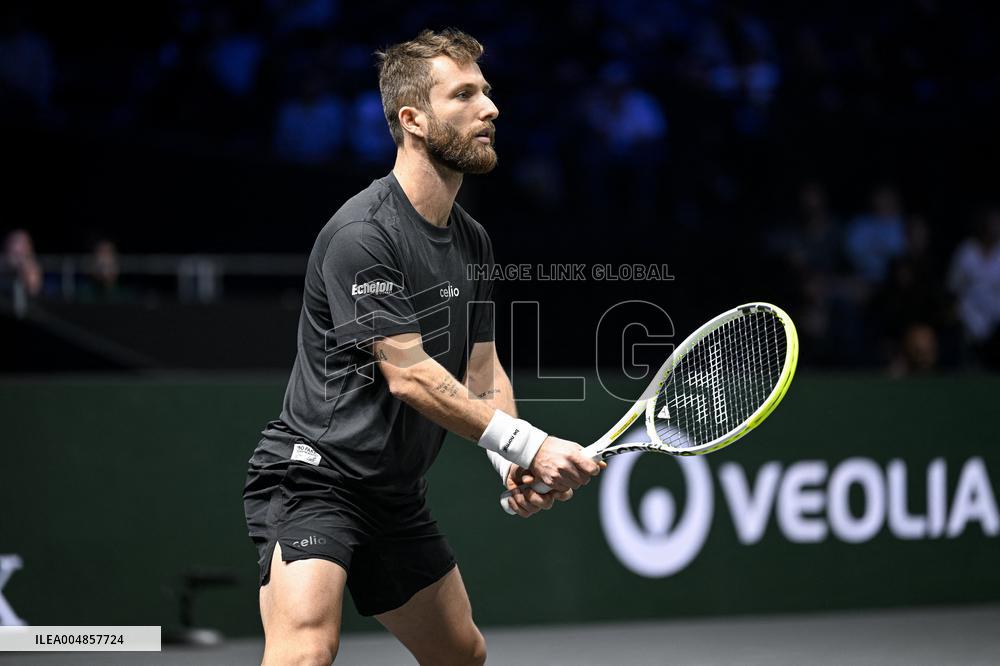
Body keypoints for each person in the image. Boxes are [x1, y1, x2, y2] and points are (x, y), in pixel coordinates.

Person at [242, 29, 603, 666]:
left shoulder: (474, 241)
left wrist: (507, 460)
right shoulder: (363, 234)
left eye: (486, 93)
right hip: (314, 475)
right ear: (412, 119)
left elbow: (482, 370)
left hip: (394, 492)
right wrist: (531, 445)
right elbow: (407, 374)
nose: (491, 109)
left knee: (461, 655)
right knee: (304, 651)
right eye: (463, 95)